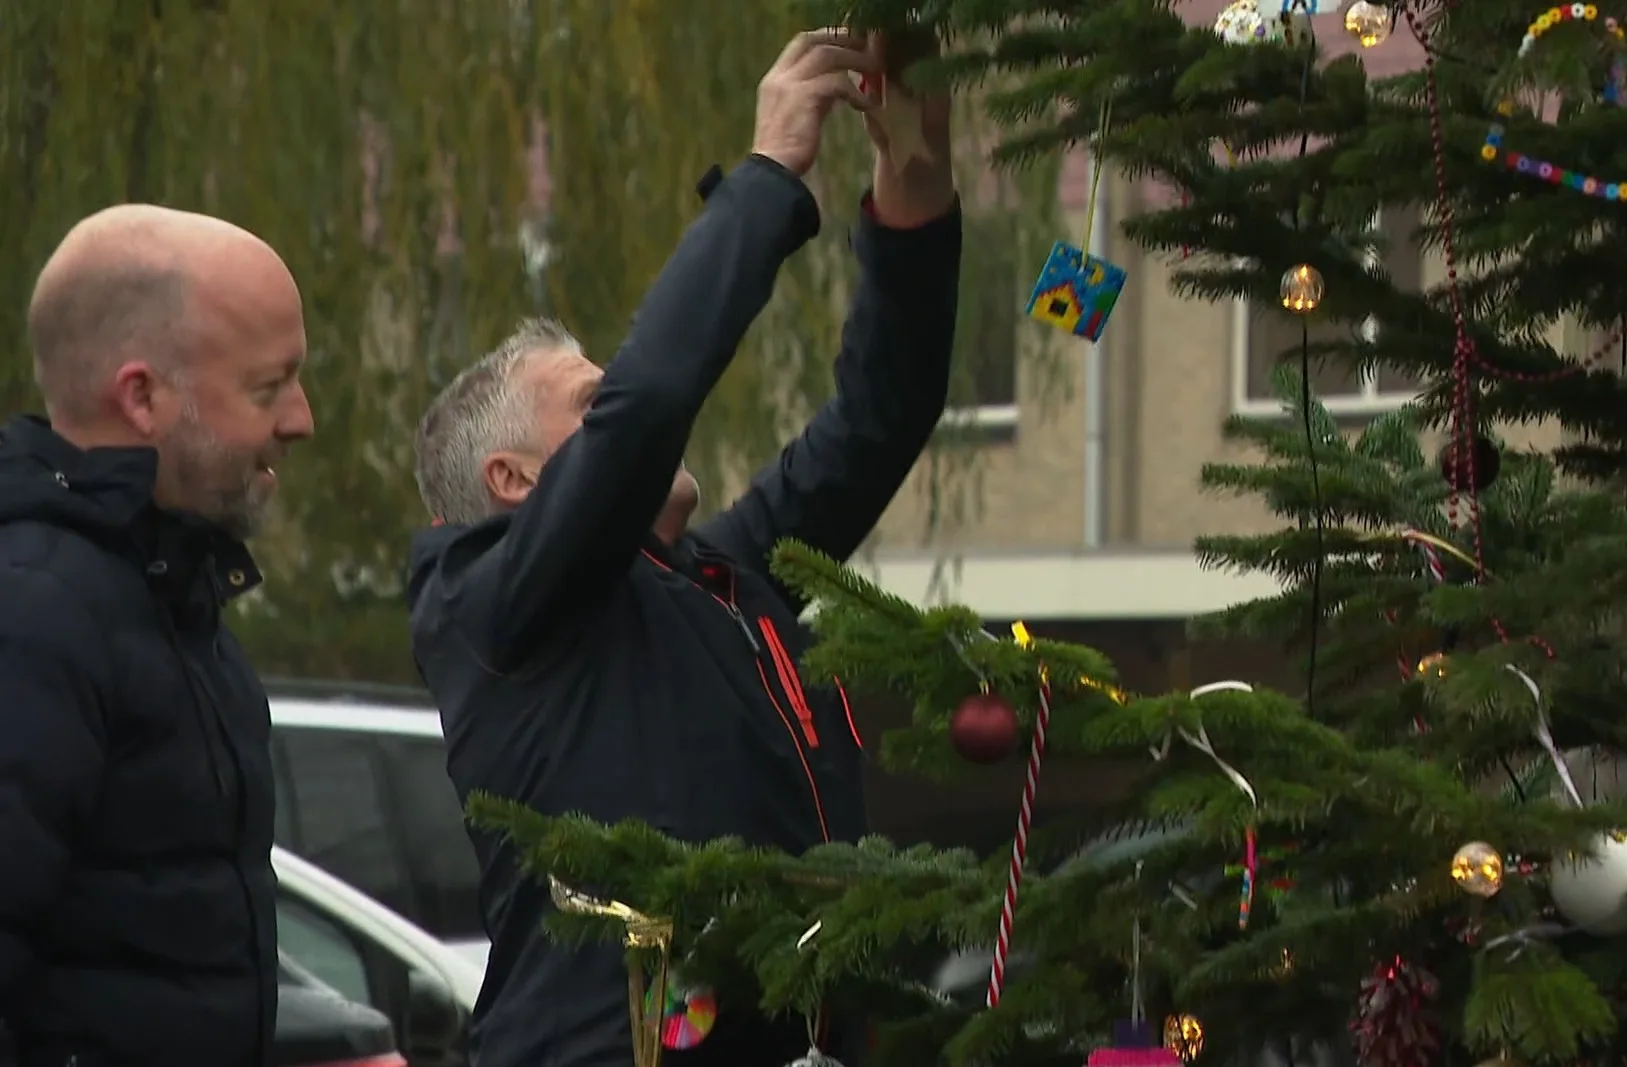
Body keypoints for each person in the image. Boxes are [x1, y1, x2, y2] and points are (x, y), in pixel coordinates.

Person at [407, 27, 960, 1067]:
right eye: (591, 403)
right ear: (514, 484)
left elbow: (883, 414)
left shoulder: (724, 578)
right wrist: (766, 175)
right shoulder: (491, 599)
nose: (633, 415)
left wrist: (912, 183)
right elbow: (656, 396)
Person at [0, 206, 313, 1064]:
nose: (301, 419)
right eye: (267, 386)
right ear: (141, 396)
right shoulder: (36, 614)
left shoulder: (170, 595)